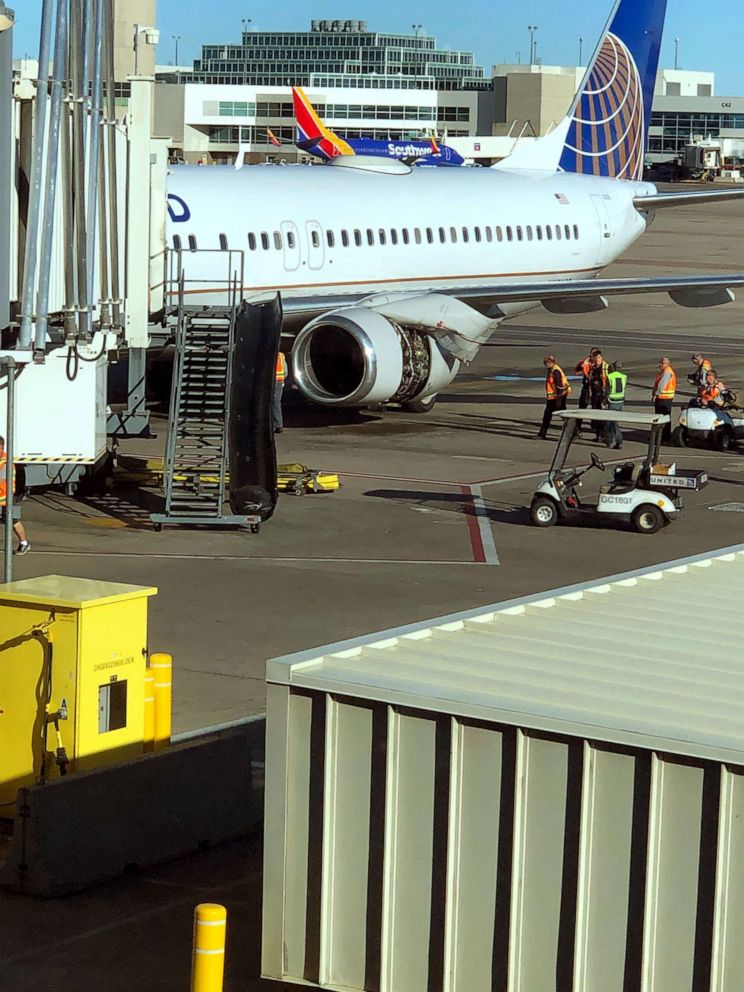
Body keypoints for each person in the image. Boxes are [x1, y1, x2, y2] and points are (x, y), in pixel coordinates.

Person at [0, 435, 30, 556]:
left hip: (5, 497)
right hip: (3, 496)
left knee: (13, 520)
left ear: (2, 447)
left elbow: (7, 482)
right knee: (12, 520)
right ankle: (24, 544)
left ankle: (24, 543)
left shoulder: (6, 462)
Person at [537, 354, 571, 438]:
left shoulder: (556, 371)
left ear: (551, 363)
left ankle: (575, 431)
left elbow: (559, 386)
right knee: (550, 415)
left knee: (560, 414)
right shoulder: (552, 369)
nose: (545, 365)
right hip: (555, 397)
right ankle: (542, 433)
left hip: (557, 397)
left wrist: (558, 399)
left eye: (547, 363)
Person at [651, 356, 676, 442]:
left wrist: (656, 394)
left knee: (661, 418)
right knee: (665, 417)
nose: (660, 365)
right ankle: (663, 436)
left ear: (667, 364)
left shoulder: (667, 372)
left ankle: (661, 437)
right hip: (666, 398)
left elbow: (662, 385)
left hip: (663, 398)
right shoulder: (665, 371)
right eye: (660, 363)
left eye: (662, 363)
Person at [575, 347, 600, 431]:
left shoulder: (601, 364)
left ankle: (595, 427)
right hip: (586, 387)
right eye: (592, 354)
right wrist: (581, 366)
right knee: (582, 406)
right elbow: (577, 370)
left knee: (596, 408)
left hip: (596, 389)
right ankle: (578, 428)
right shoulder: (586, 362)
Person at [588, 350, 610, 441]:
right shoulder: (593, 368)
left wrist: (606, 398)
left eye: (599, 358)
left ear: (602, 358)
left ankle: (604, 435)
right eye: (596, 358)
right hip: (595, 395)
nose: (597, 360)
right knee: (595, 416)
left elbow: (609, 384)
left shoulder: (606, 367)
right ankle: (598, 435)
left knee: (603, 417)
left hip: (602, 395)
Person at [606, 360, 627, 449]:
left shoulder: (610, 376)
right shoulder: (624, 376)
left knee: (613, 422)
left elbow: (607, 390)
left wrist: (604, 401)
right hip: (620, 401)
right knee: (612, 422)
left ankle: (619, 440)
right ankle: (611, 440)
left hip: (612, 401)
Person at [273, 351, 288, 433]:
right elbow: (285, 371)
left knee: (273, 403)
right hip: (279, 381)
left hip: (273, 382)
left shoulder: (269, 355)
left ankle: (277, 424)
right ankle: (278, 424)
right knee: (277, 402)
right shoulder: (281, 355)